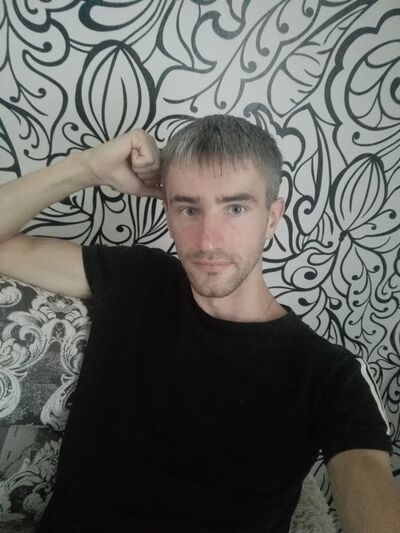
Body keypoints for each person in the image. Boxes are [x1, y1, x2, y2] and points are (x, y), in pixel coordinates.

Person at [0, 115, 398, 533]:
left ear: (272, 217)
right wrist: (88, 168)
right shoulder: (137, 278)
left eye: (236, 208)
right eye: (189, 208)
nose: (208, 240)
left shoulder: (328, 374)